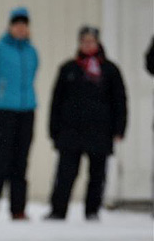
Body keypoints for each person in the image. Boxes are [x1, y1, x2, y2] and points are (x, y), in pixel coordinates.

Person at [44, 26, 127, 221]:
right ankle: (58, 210)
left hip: (100, 131)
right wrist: (54, 129)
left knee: (97, 174)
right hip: (71, 130)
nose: (88, 45)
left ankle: (92, 210)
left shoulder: (110, 70)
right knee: (65, 173)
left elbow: (120, 101)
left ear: (98, 43)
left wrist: (119, 128)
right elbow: (56, 101)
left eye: (91, 41)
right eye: (84, 41)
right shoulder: (68, 69)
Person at [0, 7, 39, 221]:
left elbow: (32, 75)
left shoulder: (31, 52)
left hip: (27, 110)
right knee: (2, 157)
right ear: (10, 26)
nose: (21, 29)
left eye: (24, 25)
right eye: (17, 24)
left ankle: (18, 208)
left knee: (21, 160)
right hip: (4, 110)